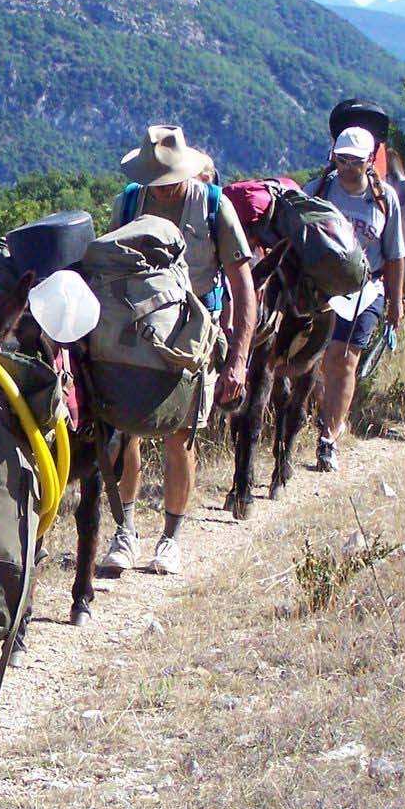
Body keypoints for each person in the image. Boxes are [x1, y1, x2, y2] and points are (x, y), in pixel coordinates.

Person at [99, 125, 256, 577]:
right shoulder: (129, 201)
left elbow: (244, 285)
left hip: (191, 333)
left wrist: (237, 361)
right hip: (133, 327)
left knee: (179, 435)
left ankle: (170, 538)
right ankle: (124, 532)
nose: (161, 188)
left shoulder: (213, 206)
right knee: (124, 430)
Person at [310, 122, 405, 471]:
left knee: (345, 359)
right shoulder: (320, 190)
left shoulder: (384, 199)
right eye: (343, 159)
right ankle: (329, 415)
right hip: (323, 289)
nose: (348, 167)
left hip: (369, 288)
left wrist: (395, 304)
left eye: (356, 161)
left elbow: (395, 253)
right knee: (321, 364)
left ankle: (329, 438)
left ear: (369, 161)